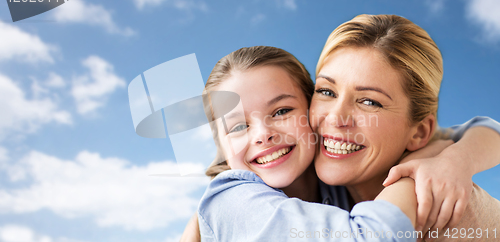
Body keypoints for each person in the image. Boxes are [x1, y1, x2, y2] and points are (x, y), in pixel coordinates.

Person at [180, 43, 500, 241]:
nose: (263, 133)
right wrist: (417, 168)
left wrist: (456, 159)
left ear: (312, 110)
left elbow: (481, 129)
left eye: (281, 111)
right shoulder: (230, 201)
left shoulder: (333, 171)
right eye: (238, 127)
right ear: (221, 145)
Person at [310, 14, 500, 241]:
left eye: (370, 102)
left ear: (419, 132)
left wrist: (458, 159)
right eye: (326, 91)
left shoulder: (450, 213)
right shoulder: (292, 170)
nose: (335, 118)